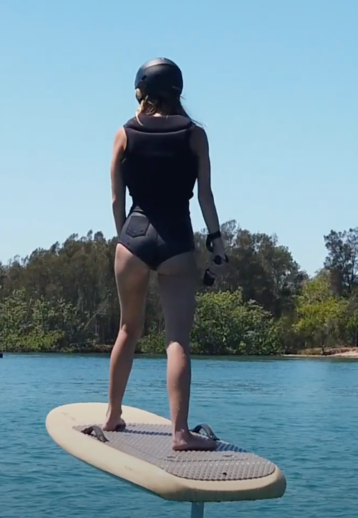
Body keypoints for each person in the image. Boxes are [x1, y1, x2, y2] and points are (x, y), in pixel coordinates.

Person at [103, 57, 227, 451]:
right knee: (177, 341)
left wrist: (125, 236)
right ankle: (179, 433)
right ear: (177, 91)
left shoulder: (124, 133)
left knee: (128, 330)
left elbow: (115, 199)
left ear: (141, 91)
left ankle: (112, 415)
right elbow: (205, 196)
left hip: (133, 237)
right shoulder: (195, 135)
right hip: (176, 241)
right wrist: (217, 243)